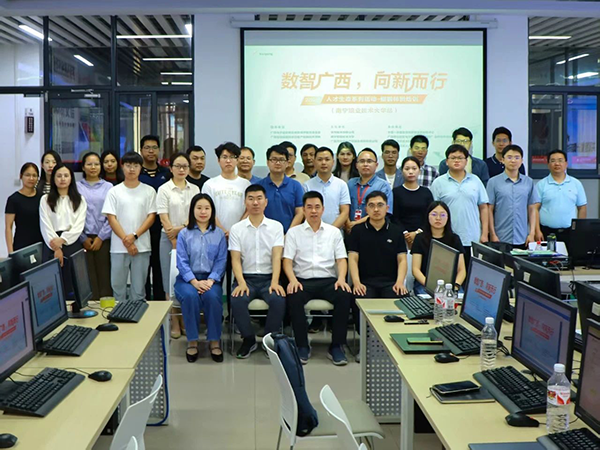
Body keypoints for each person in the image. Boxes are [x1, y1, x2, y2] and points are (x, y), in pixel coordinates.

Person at [283, 191, 353, 366]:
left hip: (328, 280)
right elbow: (287, 261)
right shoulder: (293, 233)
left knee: (344, 295)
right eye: (309, 207)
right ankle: (302, 345)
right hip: (302, 280)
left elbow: (341, 260)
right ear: (303, 210)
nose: (313, 211)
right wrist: (292, 280)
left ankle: (336, 346)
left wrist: (341, 278)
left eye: (317, 207)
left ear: (323, 209)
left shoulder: (333, 232)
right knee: (293, 296)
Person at [229, 185, 286, 358]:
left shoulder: (276, 227)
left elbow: (277, 257)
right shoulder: (236, 228)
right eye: (251, 198)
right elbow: (235, 259)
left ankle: (269, 340)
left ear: (266, 202)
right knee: (237, 300)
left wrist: (275, 281)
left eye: (259, 198)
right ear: (245, 202)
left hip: (269, 278)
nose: (255, 202)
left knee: (278, 299)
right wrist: (241, 283)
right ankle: (248, 340)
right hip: (246, 278)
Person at [174, 193, 227, 363]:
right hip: (187, 280)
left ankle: (214, 341)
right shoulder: (184, 234)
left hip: (211, 279)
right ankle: (192, 341)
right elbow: (181, 261)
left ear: (212, 211)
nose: (203, 212)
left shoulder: (219, 234)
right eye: (199, 208)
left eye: (207, 208)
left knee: (212, 297)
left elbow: (221, 260)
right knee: (190, 296)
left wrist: (210, 280)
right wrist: (194, 282)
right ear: (192, 210)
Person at [102, 151, 157, 303]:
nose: (132, 169)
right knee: (118, 288)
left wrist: (134, 236)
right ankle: (119, 316)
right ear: (122, 167)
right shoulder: (114, 191)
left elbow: (151, 217)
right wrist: (126, 240)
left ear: (141, 168)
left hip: (142, 246)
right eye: (128, 165)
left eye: (135, 166)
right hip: (118, 247)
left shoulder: (149, 191)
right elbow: (111, 218)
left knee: (139, 291)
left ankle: (138, 316)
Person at [156, 152, 200, 339]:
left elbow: (196, 215)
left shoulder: (195, 189)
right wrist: (173, 238)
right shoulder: (164, 189)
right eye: (178, 166)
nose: (181, 169)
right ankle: (174, 321)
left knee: (187, 280)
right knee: (170, 280)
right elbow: (163, 216)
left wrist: (180, 230)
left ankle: (185, 320)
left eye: (185, 166)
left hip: (190, 238)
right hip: (168, 239)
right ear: (171, 168)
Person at [431, 144, 489, 264]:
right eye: (453, 158)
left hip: (472, 237)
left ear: (466, 161)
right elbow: (433, 212)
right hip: (447, 237)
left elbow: (483, 208)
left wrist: (484, 234)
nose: (456, 160)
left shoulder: (475, 181)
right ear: (446, 161)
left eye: (460, 158)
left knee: (470, 271)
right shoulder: (438, 183)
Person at [348, 190, 408, 300]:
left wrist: (400, 282)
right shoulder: (357, 231)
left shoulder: (396, 231)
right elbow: (353, 258)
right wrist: (357, 283)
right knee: (359, 297)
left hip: (391, 283)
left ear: (387, 208)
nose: (376, 209)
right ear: (366, 209)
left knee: (400, 297)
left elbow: (402, 259)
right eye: (371, 206)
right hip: (365, 283)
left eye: (380, 205)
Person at [39, 163, 87, 296]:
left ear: (71, 178)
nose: (62, 179)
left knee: (73, 285)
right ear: (53, 178)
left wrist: (63, 240)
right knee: (52, 286)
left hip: (72, 243)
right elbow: (45, 224)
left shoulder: (80, 200)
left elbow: (79, 225)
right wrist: (56, 247)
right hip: (51, 243)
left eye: (66, 175)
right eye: (59, 176)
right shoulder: (45, 199)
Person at [487, 145, 539, 248]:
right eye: (509, 157)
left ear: (522, 161)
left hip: (523, 237)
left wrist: (532, 233)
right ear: (503, 160)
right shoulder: (493, 182)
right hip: (500, 237)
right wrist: (492, 234)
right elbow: (489, 210)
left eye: (517, 157)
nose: (513, 160)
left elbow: (532, 209)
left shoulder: (528, 182)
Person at [77, 152, 113, 299]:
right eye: (89, 164)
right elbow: (72, 215)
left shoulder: (108, 187)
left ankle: (107, 310)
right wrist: (82, 237)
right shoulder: (76, 187)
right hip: (82, 238)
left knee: (105, 276)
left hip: (104, 238)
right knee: (87, 278)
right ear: (83, 167)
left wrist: (101, 237)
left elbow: (111, 215)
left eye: (96, 164)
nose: (93, 167)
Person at [412, 201, 467, 295]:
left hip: (450, 285)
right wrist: (429, 285)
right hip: (424, 284)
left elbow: (462, 270)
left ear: (448, 218)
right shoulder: (420, 238)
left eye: (442, 215)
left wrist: (455, 286)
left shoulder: (454, 239)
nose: (438, 218)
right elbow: (415, 269)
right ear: (428, 216)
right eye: (434, 214)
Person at [535, 149, 587, 248]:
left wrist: (579, 231)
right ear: (548, 164)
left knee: (570, 257)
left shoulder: (576, 184)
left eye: (560, 160)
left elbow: (582, 207)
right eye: (553, 161)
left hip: (570, 232)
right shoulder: (541, 184)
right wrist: (537, 230)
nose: (557, 164)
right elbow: (535, 209)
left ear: (566, 163)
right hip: (546, 232)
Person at [139, 135, 169, 300]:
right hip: (141, 229)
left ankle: (160, 306)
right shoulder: (136, 173)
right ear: (141, 150)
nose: (151, 151)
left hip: (161, 230)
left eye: (154, 147)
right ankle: (142, 305)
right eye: (147, 148)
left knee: (160, 270)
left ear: (159, 150)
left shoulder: (166, 173)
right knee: (142, 271)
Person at [202, 142, 251, 233]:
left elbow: (249, 210)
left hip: (240, 233)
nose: (228, 161)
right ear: (218, 160)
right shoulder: (209, 184)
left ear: (237, 160)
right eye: (224, 157)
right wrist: (223, 231)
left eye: (232, 157)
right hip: (215, 232)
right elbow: (207, 210)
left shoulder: (246, 184)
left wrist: (236, 230)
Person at [257, 145, 304, 233]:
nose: (278, 163)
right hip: (264, 234)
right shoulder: (259, 186)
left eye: (281, 160)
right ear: (267, 162)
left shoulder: (296, 186)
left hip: (290, 235)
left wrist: (289, 234)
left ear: (287, 163)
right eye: (274, 159)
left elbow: (300, 212)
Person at [346, 148, 393, 233]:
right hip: (350, 230)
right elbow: (344, 207)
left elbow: (384, 211)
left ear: (376, 165)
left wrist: (356, 224)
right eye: (362, 161)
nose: (365, 164)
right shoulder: (350, 183)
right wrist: (348, 223)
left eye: (369, 161)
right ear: (356, 165)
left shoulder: (383, 185)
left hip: (373, 231)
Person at [392, 156, 434, 250]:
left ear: (419, 171)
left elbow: (430, 215)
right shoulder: (396, 192)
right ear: (402, 171)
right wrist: (405, 233)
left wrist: (417, 233)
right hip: (401, 236)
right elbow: (394, 217)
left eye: (414, 168)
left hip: (423, 236)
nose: (410, 172)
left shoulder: (426, 192)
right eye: (407, 169)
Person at [304, 146, 350, 228]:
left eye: (327, 159)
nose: (323, 163)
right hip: (312, 231)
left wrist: (331, 232)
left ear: (333, 162)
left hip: (336, 232)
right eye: (320, 159)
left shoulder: (341, 184)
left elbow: (345, 212)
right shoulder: (307, 185)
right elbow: (305, 211)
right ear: (314, 162)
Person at [5, 163, 43, 253]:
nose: (31, 178)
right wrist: (11, 252)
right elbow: (8, 227)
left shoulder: (42, 197)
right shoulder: (13, 199)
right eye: (27, 175)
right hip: (21, 245)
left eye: (34, 175)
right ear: (21, 176)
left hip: (41, 245)